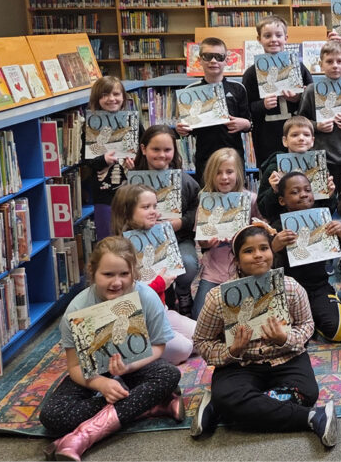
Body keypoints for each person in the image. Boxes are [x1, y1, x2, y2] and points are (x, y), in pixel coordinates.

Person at [191, 224, 338, 447]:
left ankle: (221, 410)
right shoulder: (217, 298)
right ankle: (311, 417)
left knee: (306, 393)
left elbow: (307, 325)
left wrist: (286, 339)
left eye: (264, 248)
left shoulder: (291, 287)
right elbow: (202, 342)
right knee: (230, 396)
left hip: (286, 357)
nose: (258, 255)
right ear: (237, 260)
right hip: (240, 364)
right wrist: (231, 351)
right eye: (248, 251)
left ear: (272, 252)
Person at [39, 237, 183, 461]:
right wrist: (101, 383)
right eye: (107, 275)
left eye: (124, 274)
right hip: (93, 370)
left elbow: (159, 346)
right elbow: (75, 366)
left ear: (134, 272)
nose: (117, 282)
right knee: (52, 417)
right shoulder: (76, 309)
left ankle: (84, 435)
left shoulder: (147, 297)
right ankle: (148, 405)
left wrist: (130, 366)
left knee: (170, 374)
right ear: (92, 272)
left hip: (133, 364)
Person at [110, 183, 195, 364]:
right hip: (140, 321)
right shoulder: (117, 250)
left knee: (202, 336)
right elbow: (125, 297)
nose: (154, 212)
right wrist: (159, 284)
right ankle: (136, 349)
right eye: (146, 207)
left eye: (155, 206)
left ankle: (154, 347)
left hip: (161, 311)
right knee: (185, 349)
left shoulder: (157, 233)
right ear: (126, 212)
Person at [272, 171, 341, 342]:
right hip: (287, 291)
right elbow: (264, 268)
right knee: (277, 334)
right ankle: (310, 320)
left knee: (340, 331)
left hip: (318, 287)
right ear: (281, 200)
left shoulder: (323, 220)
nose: (303, 195)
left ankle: (316, 315)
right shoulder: (277, 227)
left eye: (307, 190)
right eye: (294, 192)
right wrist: (274, 247)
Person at [133, 125, 201, 316]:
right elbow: (123, 214)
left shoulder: (186, 182)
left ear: (174, 151)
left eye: (167, 150)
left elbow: (197, 211)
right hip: (143, 243)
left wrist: (179, 223)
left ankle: (183, 292)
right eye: (156, 149)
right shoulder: (132, 183)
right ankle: (165, 300)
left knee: (187, 265)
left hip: (179, 239)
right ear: (144, 149)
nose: (162, 155)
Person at [193, 148, 262, 319]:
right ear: (211, 175)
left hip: (246, 269)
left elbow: (263, 231)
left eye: (229, 172)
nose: (224, 177)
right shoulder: (206, 200)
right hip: (215, 269)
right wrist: (207, 244)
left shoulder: (251, 199)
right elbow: (201, 241)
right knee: (199, 320)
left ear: (238, 173)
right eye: (218, 173)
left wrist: (250, 232)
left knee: (251, 317)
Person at [174, 37, 251, 186]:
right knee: (206, 197)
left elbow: (250, 123)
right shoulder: (190, 92)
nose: (213, 61)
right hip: (205, 158)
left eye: (219, 57)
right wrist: (182, 130)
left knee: (236, 201)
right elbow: (189, 129)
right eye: (208, 56)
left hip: (234, 157)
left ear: (226, 60)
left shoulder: (238, 89)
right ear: (199, 60)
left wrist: (245, 124)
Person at [243, 15, 314, 165]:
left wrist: (298, 98)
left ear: (286, 38)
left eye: (278, 35)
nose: (273, 39)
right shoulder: (251, 73)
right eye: (267, 36)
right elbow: (245, 108)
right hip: (266, 137)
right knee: (272, 175)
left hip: (297, 137)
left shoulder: (299, 68)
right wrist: (262, 105)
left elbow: (313, 101)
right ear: (259, 39)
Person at [297, 39, 341, 191]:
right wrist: (316, 126)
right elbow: (301, 122)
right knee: (325, 198)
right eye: (329, 61)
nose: (335, 65)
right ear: (321, 64)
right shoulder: (311, 91)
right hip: (322, 157)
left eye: (339, 61)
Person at [83, 76, 137, 241]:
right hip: (103, 194)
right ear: (96, 98)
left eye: (116, 94)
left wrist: (134, 165)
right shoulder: (90, 126)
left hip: (130, 190)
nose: (111, 99)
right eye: (105, 94)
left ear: (123, 97)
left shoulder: (132, 122)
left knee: (132, 235)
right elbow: (86, 161)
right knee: (107, 238)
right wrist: (103, 160)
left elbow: (143, 149)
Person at [255, 116, 336, 222]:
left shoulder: (319, 167)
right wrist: (273, 191)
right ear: (285, 141)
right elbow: (264, 211)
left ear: (312, 141)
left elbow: (330, 209)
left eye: (306, 135)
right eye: (294, 135)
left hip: (315, 222)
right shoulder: (274, 168)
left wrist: (330, 195)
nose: (301, 138)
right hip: (283, 226)